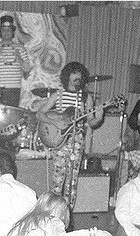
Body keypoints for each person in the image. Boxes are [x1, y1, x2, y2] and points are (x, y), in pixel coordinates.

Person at [37, 61, 104, 209]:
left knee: (72, 182)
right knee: (57, 180)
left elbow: (91, 122)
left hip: (77, 141)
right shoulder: (58, 94)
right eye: (74, 73)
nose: (77, 77)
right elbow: (40, 114)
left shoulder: (86, 98)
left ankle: (68, 212)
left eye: (80, 74)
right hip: (60, 141)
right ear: (67, 75)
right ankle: (53, 212)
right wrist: (55, 123)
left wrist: (98, 118)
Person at [0, 15, 33, 107]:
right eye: (3, 30)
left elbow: (27, 70)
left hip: (14, 89)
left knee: (12, 114)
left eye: (9, 30)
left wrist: (19, 58)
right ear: (0, 32)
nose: (6, 32)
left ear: (13, 31)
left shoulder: (20, 48)